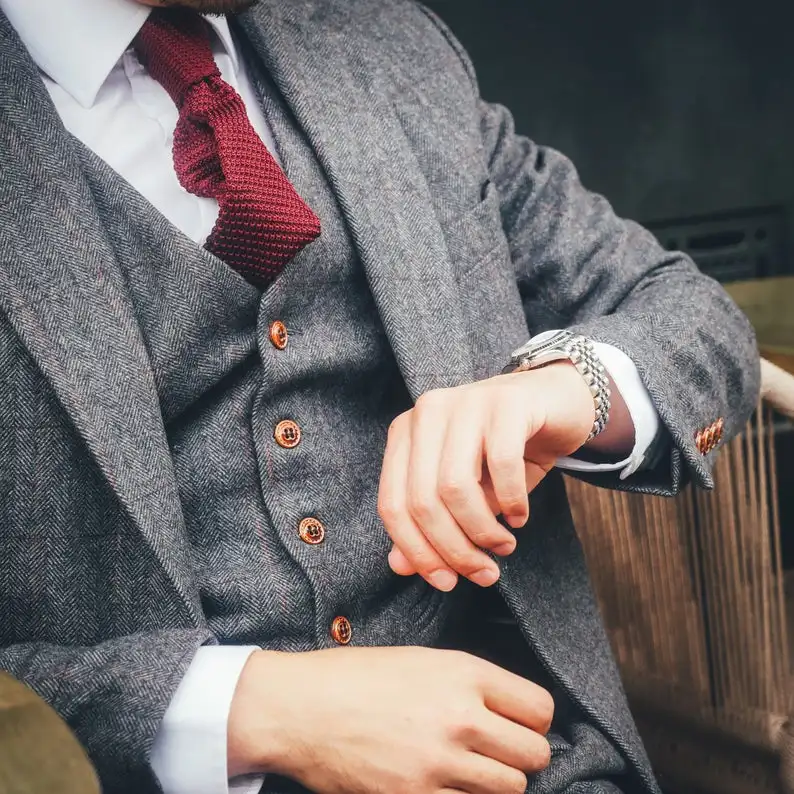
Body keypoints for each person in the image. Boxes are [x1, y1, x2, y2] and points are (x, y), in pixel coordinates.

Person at [0, 0, 759, 793]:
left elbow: (696, 318)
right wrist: (241, 711)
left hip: (535, 766)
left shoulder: (383, 41)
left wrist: (570, 387)